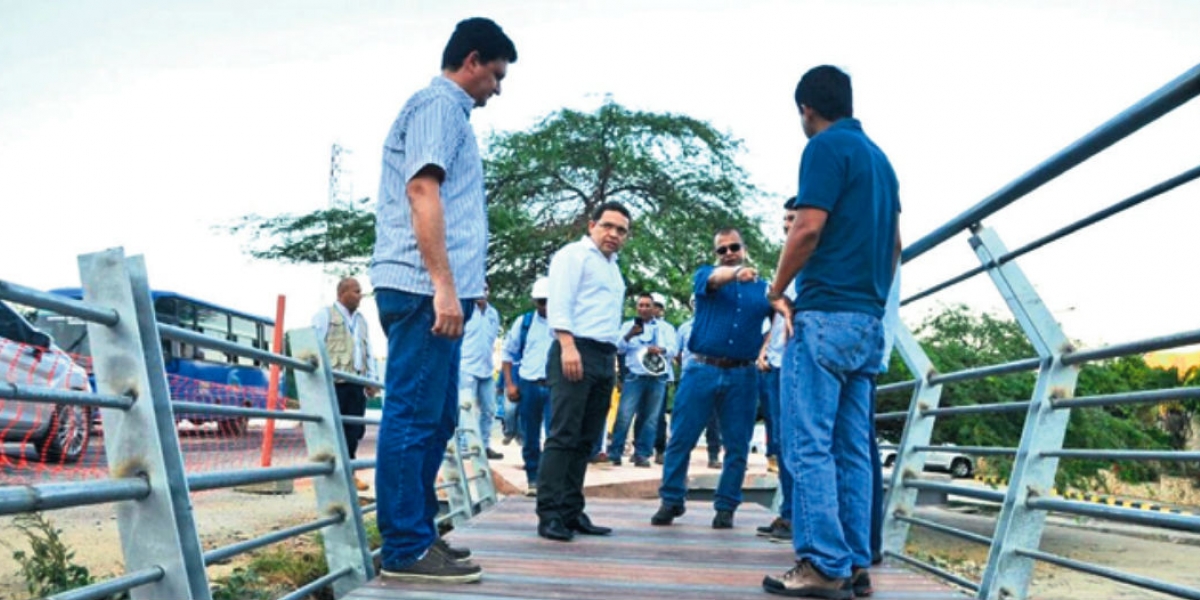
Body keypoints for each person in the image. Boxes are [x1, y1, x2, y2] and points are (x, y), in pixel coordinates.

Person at [368, 17, 516, 584]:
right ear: (473, 61)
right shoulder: (437, 107)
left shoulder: (449, 114)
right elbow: (422, 190)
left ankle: (419, 534)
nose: (497, 89)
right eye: (496, 76)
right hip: (419, 287)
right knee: (412, 415)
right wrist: (445, 286)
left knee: (437, 418)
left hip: (430, 287)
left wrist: (465, 285)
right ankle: (405, 546)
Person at [763, 65, 901, 598]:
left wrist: (778, 290)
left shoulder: (823, 149)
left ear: (806, 108)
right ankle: (855, 562)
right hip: (866, 320)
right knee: (851, 448)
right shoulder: (882, 162)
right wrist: (870, 299)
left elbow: (809, 224)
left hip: (822, 315)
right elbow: (894, 246)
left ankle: (821, 563)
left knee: (807, 445)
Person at [651, 228, 772, 530]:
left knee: (738, 444)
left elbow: (779, 315)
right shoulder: (706, 276)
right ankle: (671, 499)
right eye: (723, 249)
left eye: (735, 247)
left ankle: (726, 507)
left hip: (743, 373)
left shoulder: (765, 289)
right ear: (716, 254)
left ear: (744, 248)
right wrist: (736, 273)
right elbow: (716, 280)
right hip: (701, 368)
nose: (729, 253)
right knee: (681, 438)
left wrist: (765, 347)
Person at [536, 201, 631, 542]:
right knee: (563, 435)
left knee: (586, 439)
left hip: (605, 356)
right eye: (608, 226)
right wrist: (567, 344)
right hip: (575, 350)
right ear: (592, 225)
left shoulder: (613, 267)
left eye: (621, 230)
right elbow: (560, 301)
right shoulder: (573, 255)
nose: (614, 234)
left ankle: (571, 510)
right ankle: (549, 514)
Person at [755, 205, 799, 543]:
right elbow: (778, 317)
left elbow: (794, 313)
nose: (787, 225)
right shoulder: (786, 260)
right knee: (779, 445)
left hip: (795, 367)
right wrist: (763, 350)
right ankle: (787, 515)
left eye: (793, 218)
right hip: (774, 364)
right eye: (784, 219)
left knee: (795, 444)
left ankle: (797, 517)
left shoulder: (811, 259)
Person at [311, 277, 379, 492]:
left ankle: (349, 473)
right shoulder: (324, 316)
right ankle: (333, 476)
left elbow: (367, 352)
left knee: (355, 430)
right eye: (356, 291)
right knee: (334, 429)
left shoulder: (361, 321)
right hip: (334, 384)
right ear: (343, 293)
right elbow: (314, 348)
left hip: (356, 383)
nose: (360, 296)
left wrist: (371, 379)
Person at [500, 277, 555, 496]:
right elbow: (508, 354)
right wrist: (510, 384)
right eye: (542, 301)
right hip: (529, 384)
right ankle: (533, 479)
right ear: (535, 301)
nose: (546, 306)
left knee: (555, 435)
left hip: (555, 385)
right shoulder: (523, 323)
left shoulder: (564, 324)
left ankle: (551, 481)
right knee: (530, 435)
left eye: (550, 301)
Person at [609, 293, 674, 467]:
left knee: (651, 418)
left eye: (647, 305)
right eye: (641, 305)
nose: (644, 309)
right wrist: (630, 335)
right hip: (635, 376)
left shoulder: (665, 328)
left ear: (654, 308)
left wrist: (661, 349)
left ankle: (642, 454)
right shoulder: (627, 326)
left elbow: (674, 349)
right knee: (624, 415)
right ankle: (615, 452)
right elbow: (618, 348)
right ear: (636, 308)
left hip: (658, 377)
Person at [459, 282, 503, 460]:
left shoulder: (493, 314)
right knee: (466, 408)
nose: (481, 293)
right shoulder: (466, 311)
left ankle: (484, 446)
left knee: (489, 409)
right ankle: (464, 446)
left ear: (488, 291)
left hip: (486, 368)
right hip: (466, 367)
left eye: (484, 289)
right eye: (478, 289)